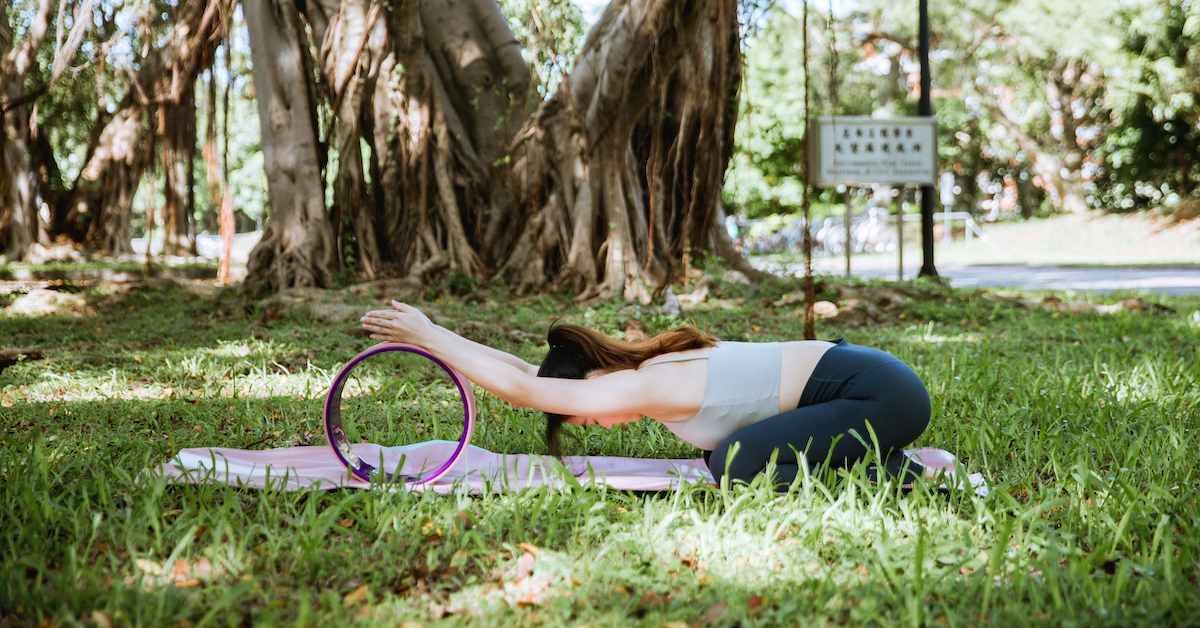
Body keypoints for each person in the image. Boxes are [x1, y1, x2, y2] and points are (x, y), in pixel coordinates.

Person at [361, 301, 932, 489]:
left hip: (880, 396)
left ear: (594, 381)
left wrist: (429, 336)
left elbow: (523, 389)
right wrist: (440, 337)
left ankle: (890, 472)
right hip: (868, 386)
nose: (601, 422)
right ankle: (875, 457)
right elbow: (524, 372)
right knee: (725, 455)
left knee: (736, 463)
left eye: (589, 417)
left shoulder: (651, 382)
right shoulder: (641, 372)